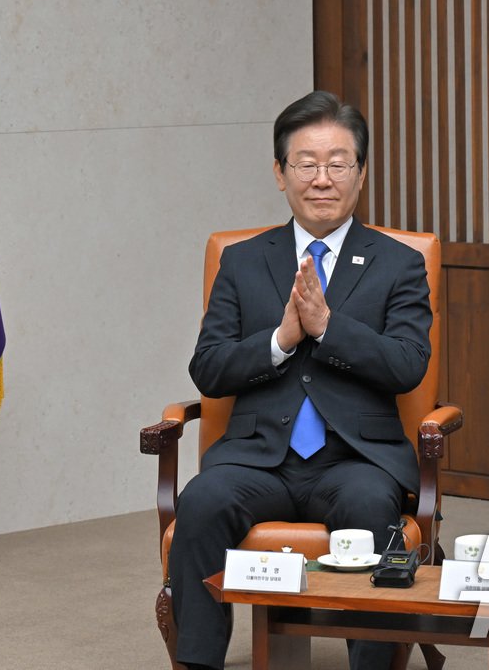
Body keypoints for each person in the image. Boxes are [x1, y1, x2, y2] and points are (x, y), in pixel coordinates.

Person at [167, 91, 432, 670]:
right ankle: (197, 662)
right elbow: (208, 369)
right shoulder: (241, 260)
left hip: (354, 458)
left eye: (338, 163)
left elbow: (409, 363)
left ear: (360, 173)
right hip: (258, 457)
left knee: (368, 506)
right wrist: (282, 340)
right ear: (280, 173)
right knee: (203, 502)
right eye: (306, 163)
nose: (322, 178)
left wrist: (329, 328)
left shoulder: (398, 263)